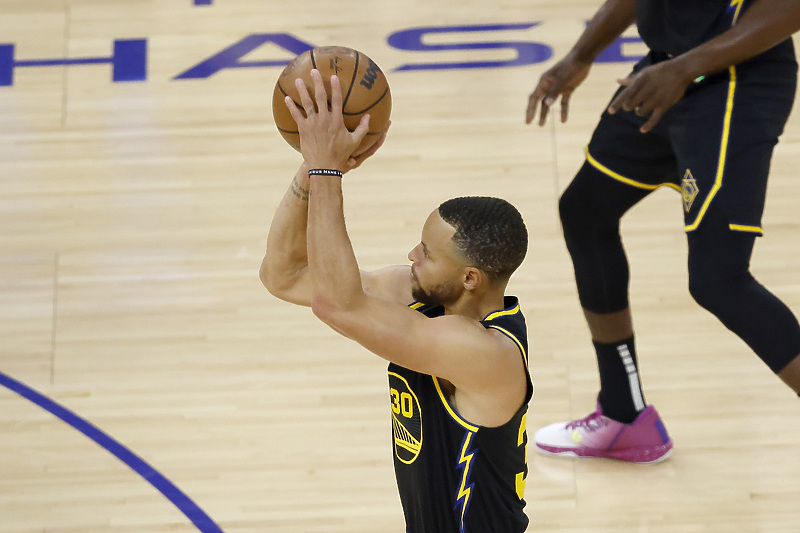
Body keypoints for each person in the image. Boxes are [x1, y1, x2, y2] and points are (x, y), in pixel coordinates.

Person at [525, 0, 800, 464]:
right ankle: (624, 414)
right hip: (667, 70)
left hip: (736, 82)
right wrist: (582, 54)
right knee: (586, 212)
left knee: (720, 281)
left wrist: (686, 68)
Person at [261, 69, 533, 531]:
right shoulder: (425, 295)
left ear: (470, 278)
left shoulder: (484, 353)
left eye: (426, 254)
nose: (411, 256)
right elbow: (283, 275)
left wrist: (327, 167)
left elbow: (335, 304)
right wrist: (311, 169)